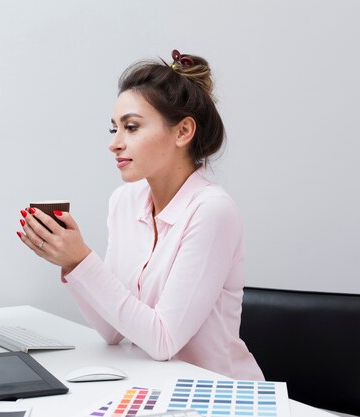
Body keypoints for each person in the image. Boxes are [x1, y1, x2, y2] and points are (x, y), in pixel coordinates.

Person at [17, 50, 263, 380]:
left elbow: (163, 340)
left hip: (219, 394)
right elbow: (112, 330)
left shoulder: (212, 211)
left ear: (182, 132)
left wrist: (84, 260)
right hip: (158, 388)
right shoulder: (125, 202)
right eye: (114, 129)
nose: (115, 143)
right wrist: (71, 262)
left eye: (131, 127)